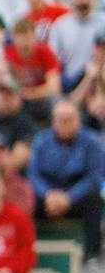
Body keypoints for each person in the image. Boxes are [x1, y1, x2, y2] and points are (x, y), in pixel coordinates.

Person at [30, 99, 104, 260]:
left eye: (69, 119)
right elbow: (33, 175)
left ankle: (91, 254)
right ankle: (31, 250)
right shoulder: (41, 140)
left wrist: (69, 197)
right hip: (48, 196)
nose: (64, 123)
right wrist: (48, 194)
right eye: (60, 119)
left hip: (77, 195)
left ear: (78, 119)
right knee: (27, 197)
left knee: (94, 198)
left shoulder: (92, 141)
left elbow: (95, 176)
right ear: (53, 121)